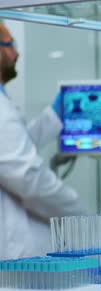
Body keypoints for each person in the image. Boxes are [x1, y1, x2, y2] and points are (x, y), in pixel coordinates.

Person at [0, 23, 89, 260]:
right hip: (13, 256)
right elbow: (27, 176)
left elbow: (14, 150)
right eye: (10, 45)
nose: (16, 54)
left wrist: (53, 117)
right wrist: (82, 213)